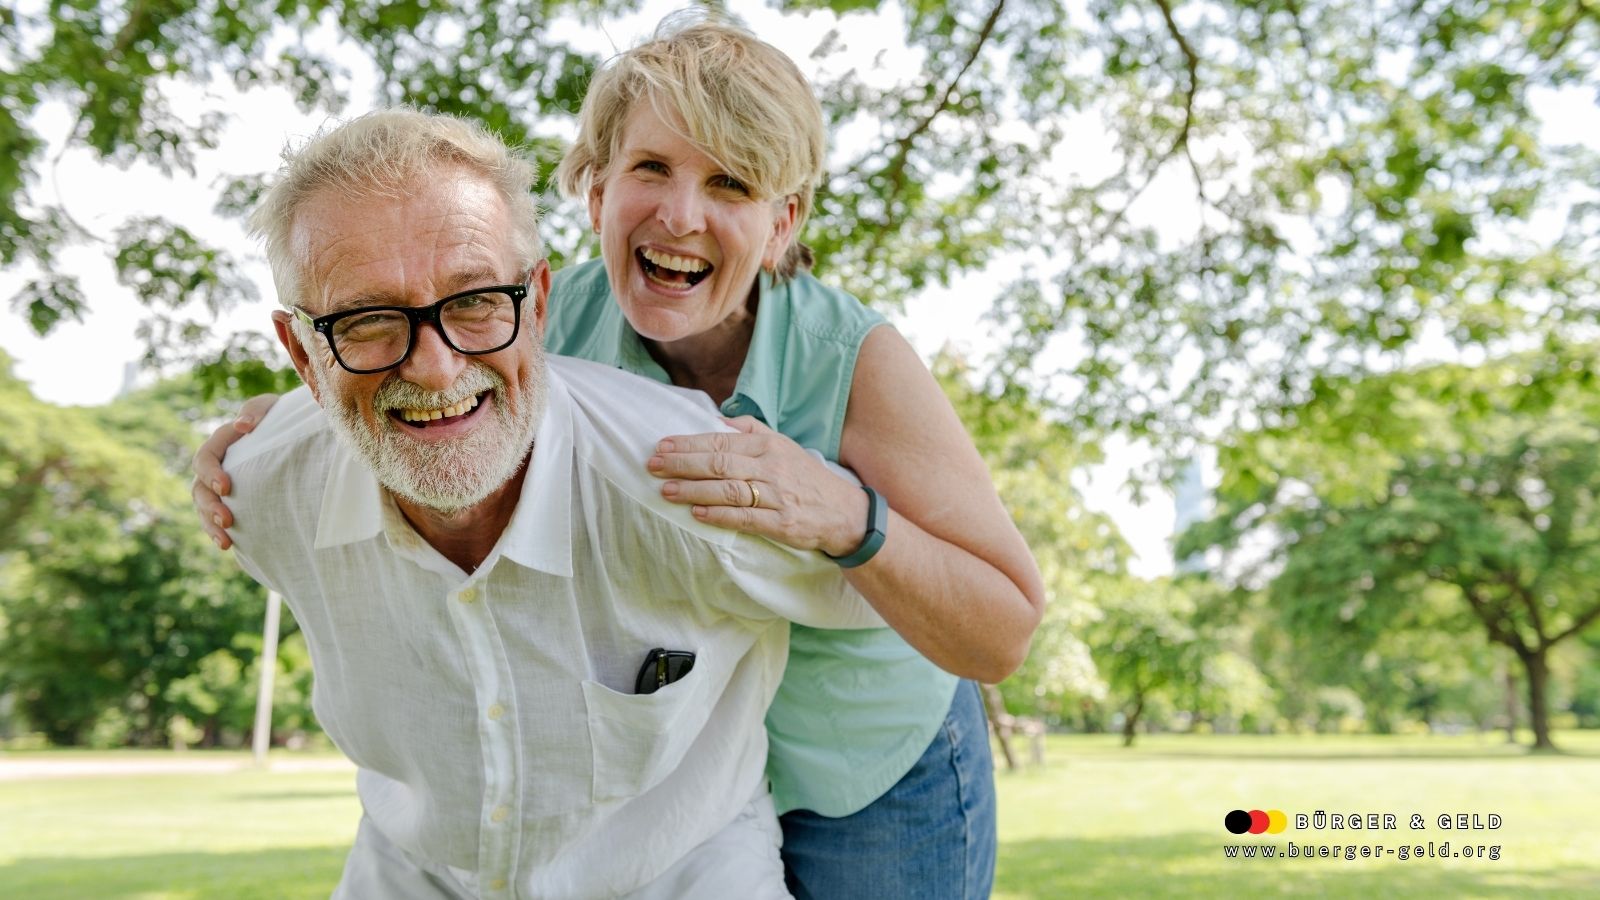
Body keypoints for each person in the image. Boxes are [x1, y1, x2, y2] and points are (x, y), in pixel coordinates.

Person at [197, 16, 1046, 898]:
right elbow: (420, 358)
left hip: (859, 749)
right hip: (686, 740)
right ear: (595, 190)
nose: (681, 213)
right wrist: (298, 417)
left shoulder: (854, 360)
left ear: (782, 222)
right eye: (652, 168)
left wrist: (843, 515)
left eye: (732, 181)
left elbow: (1003, 627)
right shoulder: (541, 319)